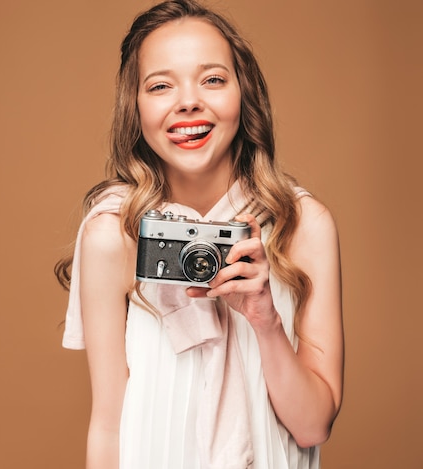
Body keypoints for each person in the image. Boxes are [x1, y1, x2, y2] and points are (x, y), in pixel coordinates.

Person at [55, 0, 344, 467]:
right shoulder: (115, 234)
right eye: (161, 85)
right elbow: (109, 424)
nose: (188, 101)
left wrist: (265, 321)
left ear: (243, 94)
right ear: (136, 108)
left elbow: (313, 426)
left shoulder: (303, 226)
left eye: (212, 79)